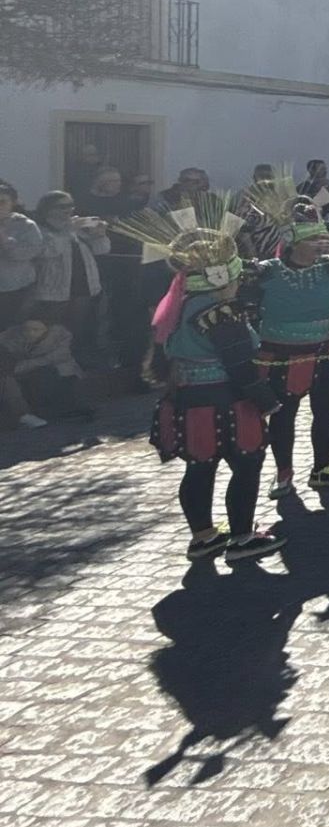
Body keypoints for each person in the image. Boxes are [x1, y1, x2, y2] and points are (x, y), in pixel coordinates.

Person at [115, 201, 283, 561]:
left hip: (189, 399)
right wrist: (266, 400)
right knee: (247, 466)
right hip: (227, 401)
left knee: (199, 468)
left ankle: (204, 535)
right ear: (223, 278)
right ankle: (240, 537)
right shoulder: (222, 313)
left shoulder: (181, 306)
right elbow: (240, 365)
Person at [246, 196, 329, 499]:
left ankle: (322, 469)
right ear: (294, 242)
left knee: (326, 412)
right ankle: (284, 474)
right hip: (282, 355)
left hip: (327, 351)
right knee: (283, 415)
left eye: (323, 237)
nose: (322, 244)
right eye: (314, 239)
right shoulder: (266, 272)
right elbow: (244, 308)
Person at [31, 192, 110, 363]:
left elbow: (102, 249)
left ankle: (72, 363)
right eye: (62, 206)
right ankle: (49, 365)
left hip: (83, 286)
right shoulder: (40, 229)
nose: (68, 210)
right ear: (48, 209)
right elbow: (48, 251)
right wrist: (69, 230)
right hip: (54, 290)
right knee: (51, 331)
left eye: (70, 206)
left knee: (76, 329)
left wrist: (100, 234)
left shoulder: (76, 227)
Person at [0, 182, 44, 330]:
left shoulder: (26, 225)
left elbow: (29, 253)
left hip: (16, 289)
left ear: (12, 203)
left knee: (11, 330)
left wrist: (5, 240)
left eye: (2, 202)